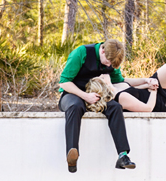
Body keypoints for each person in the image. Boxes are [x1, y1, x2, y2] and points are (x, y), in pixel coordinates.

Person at [58, 38, 159, 173]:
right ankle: (72, 154)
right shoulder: (81, 53)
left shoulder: (112, 61)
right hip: (73, 94)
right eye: (109, 61)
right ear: (103, 50)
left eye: (112, 63)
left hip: (98, 96)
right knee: (75, 107)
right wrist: (85, 96)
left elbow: (121, 81)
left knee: (116, 107)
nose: (110, 65)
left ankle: (123, 155)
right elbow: (64, 82)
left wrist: (146, 81)